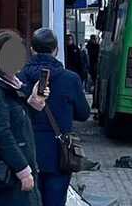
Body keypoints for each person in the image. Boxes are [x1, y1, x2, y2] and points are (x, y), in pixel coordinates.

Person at [0, 29, 46, 205]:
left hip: (14, 174)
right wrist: (23, 170)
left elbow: (19, 123)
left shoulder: (11, 86)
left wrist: (34, 102)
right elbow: (1, 133)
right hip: (8, 177)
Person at [18, 28, 91, 206]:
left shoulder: (19, 79)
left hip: (25, 154)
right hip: (59, 155)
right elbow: (83, 113)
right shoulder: (70, 79)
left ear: (32, 49)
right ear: (56, 50)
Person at [86, 35, 101, 109]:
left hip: (91, 69)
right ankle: (95, 103)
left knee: (94, 86)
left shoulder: (88, 47)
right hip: (94, 69)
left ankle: (95, 103)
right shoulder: (96, 47)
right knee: (95, 86)